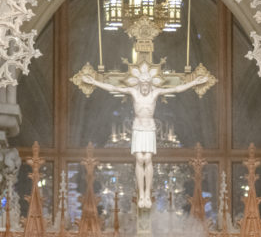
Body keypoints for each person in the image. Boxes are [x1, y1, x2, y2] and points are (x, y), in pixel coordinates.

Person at [82, 63, 209, 209]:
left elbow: (176, 88)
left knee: (147, 158)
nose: (144, 87)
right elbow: (114, 88)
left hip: (149, 128)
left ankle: (147, 194)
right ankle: (141, 193)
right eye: (141, 84)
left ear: (149, 84)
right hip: (138, 128)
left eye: (146, 84)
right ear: (139, 84)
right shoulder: (134, 92)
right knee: (139, 158)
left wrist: (194, 82)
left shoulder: (155, 93)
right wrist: (94, 82)